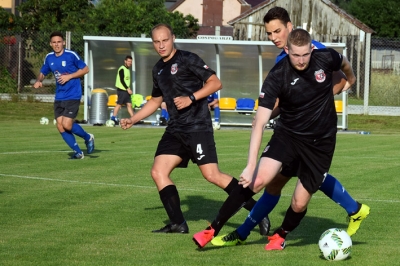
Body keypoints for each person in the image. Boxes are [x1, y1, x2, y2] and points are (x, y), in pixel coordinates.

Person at [203, 6, 370, 248]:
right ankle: (242, 232)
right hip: (290, 133)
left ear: (290, 27)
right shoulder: (283, 61)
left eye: (277, 31)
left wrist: (340, 88)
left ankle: (353, 210)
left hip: (317, 138)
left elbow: (337, 74)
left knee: (307, 188)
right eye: (269, 33)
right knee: (272, 183)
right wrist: (271, 112)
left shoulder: (315, 52)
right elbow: (290, 97)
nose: (273, 38)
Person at [120, 23, 270, 234]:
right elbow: (155, 101)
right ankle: (177, 223)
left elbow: (216, 83)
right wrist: (133, 119)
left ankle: (258, 212)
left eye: (165, 40)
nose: (161, 45)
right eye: (156, 41)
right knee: (158, 171)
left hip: (197, 126)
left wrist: (191, 98)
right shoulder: (158, 69)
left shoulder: (188, 59)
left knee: (212, 175)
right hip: (175, 129)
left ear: (173, 38)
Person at [33, 31, 94, 160]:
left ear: (64, 42)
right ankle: (78, 152)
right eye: (54, 42)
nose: (57, 44)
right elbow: (43, 72)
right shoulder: (49, 57)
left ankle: (88, 137)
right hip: (59, 96)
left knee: (67, 124)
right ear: (50, 44)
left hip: (73, 94)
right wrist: (39, 80)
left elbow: (85, 69)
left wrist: (69, 76)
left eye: (59, 42)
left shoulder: (71, 55)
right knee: (60, 126)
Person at [111, 55, 134, 125]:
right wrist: (127, 89)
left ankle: (134, 119)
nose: (130, 63)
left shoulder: (127, 69)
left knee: (129, 105)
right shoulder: (122, 69)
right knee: (119, 104)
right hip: (122, 90)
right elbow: (121, 80)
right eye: (129, 61)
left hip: (126, 90)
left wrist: (128, 89)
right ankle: (113, 118)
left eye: (131, 61)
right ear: (125, 61)